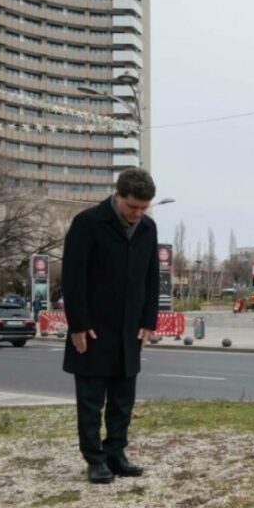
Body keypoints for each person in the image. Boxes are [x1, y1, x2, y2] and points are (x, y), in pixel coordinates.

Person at [62, 168, 159, 484]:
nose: (138, 214)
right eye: (133, 207)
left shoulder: (148, 229)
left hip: (129, 329)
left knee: (122, 399)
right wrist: (77, 324)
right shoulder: (87, 223)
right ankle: (95, 459)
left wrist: (148, 321)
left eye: (144, 208)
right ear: (117, 196)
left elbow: (151, 278)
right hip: (92, 329)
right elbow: (72, 277)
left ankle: (116, 453)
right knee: (91, 400)